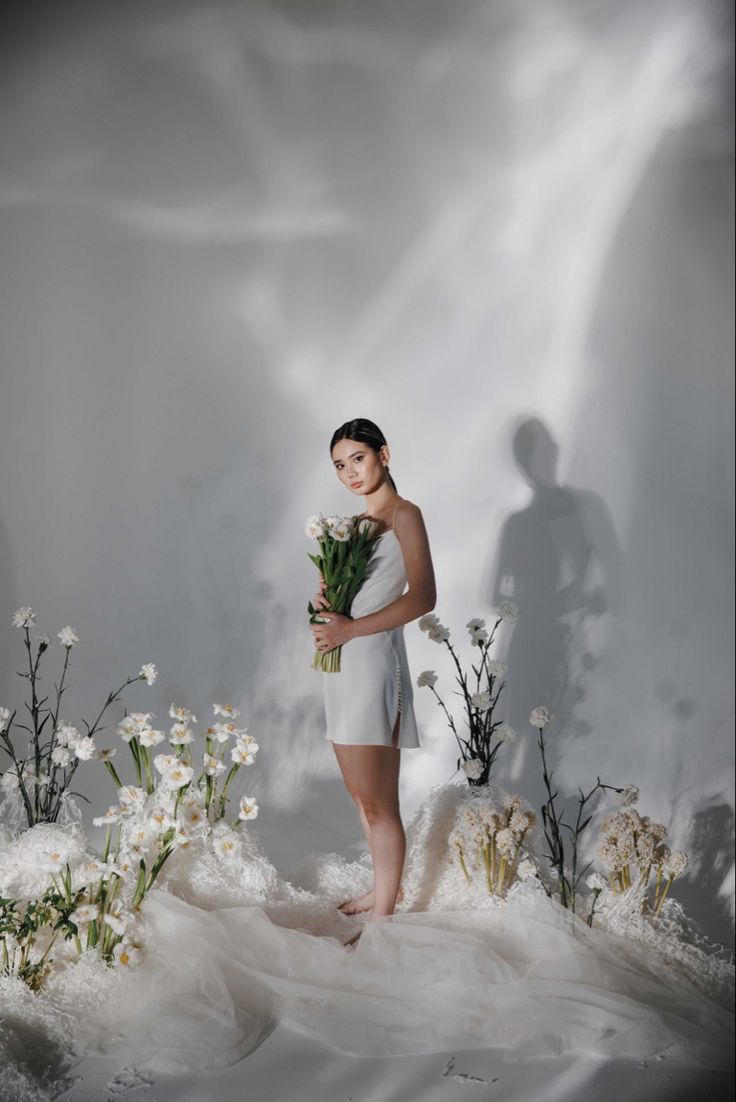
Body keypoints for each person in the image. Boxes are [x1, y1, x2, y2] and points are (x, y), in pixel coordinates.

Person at [309, 418, 436, 948]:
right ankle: (383, 888)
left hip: (374, 665)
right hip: (341, 669)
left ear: (383, 454)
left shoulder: (405, 515)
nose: (349, 473)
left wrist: (351, 628)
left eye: (357, 458)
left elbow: (423, 596)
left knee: (380, 801)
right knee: (360, 795)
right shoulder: (353, 528)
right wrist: (325, 602)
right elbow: (342, 597)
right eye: (340, 465)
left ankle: (384, 917)